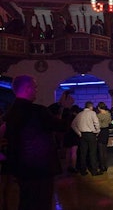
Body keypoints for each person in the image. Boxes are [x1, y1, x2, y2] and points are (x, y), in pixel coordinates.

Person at [3, 75, 73, 210]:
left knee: (26, 202)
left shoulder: (10, 113)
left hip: (21, 168)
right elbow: (62, 126)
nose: (36, 90)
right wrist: (66, 109)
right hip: (41, 168)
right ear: (28, 88)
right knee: (42, 203)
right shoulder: (37, 111)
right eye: (35, 87)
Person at [71, 101, 103, 176]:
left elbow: (73, 125)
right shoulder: (92, 113)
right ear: (91, 107)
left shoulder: (79, 114)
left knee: (83, 153)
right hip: (91, 134)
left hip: (82, 135)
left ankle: (83, 170)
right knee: (93, 153)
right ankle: (94, 170)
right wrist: (97, 131)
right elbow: (96, 123)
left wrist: (79, 133)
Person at [96, 102, 112, 172]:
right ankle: (105, 165)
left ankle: (101, 165)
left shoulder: (98, 115)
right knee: (105, 149)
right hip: (106, 131)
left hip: (100, 131)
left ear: (99, 107)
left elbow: (97, 125)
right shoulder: (108, 114)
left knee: (100, 149)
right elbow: (109, 122)